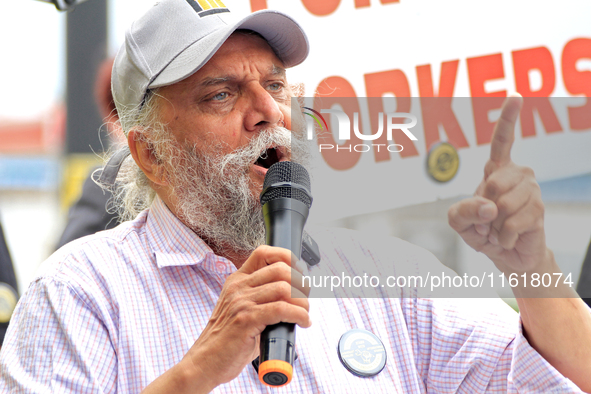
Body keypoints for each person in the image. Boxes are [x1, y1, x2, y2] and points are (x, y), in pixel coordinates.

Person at [1, 0, 591, 392]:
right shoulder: (80, 292)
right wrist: (199, 371)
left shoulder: (389, 277)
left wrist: (533, 270)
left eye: (276, 85)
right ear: (151, 153)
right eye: (221, 95)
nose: (268, 114)